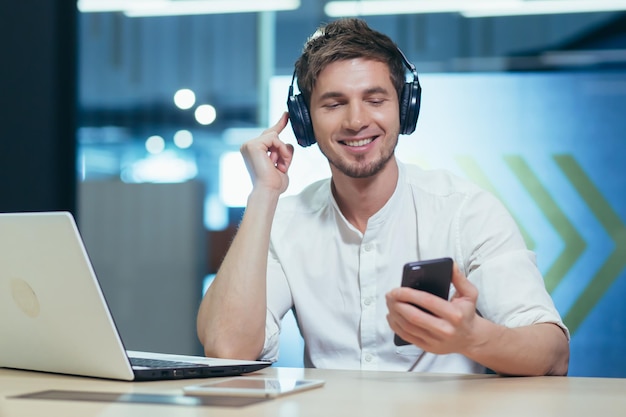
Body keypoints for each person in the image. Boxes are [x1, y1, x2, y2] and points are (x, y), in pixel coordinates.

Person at [197, 18, 570, 376]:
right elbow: (228, 349)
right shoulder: (285, 223)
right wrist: (263, 194)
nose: (356, 120)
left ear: (404, 109)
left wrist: (474, 338)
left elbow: (553, 354)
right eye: (333, 103)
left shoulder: (465, 210)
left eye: (375, 100)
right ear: (305, 120)